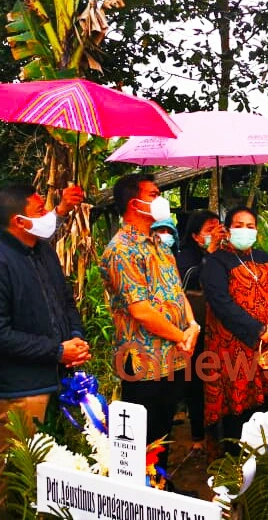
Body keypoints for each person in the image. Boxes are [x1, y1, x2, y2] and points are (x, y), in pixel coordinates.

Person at [0, 183, 89, 511]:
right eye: (39, 211)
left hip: (55, 378)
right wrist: (57, 350)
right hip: (19, 391)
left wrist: (74, 337)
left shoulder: (42, 251)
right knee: (17, 472)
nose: (47, 216)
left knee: (52, 472)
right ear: (18, 221)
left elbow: (64, 301)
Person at [99, 174, 198, 476]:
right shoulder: (120, 250)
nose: (161, 200)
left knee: (164, 431)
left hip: (173, 356)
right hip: (143, 360)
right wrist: (181, 334)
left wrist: (192, 325)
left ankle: (162, 489)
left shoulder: (160, 244)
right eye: (154, 194)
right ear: (135, 203)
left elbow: (177, 292)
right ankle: (144, 499)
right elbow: (140, 310)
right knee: (144, 438)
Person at [201, 206, 268, 451]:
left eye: (250, 226)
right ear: (227, 230)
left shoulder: (262, 257)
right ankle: (236, 455)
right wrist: (258, 329)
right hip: (233, 345)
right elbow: (221, 303)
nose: (245, 231)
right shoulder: (216, 261)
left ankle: (267, 451)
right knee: (238, 403)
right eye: (239, 225)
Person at [175, 210, 227, 453]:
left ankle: (222, 431)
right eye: (209, 229)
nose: (216, 233)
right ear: (196, 236)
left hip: (223, 327)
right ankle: (198, 434)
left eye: (219, 227)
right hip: (197, 328)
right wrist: (211, 252)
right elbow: (191, 280)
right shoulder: (185, 256)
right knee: (197, 382)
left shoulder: (228, 252)